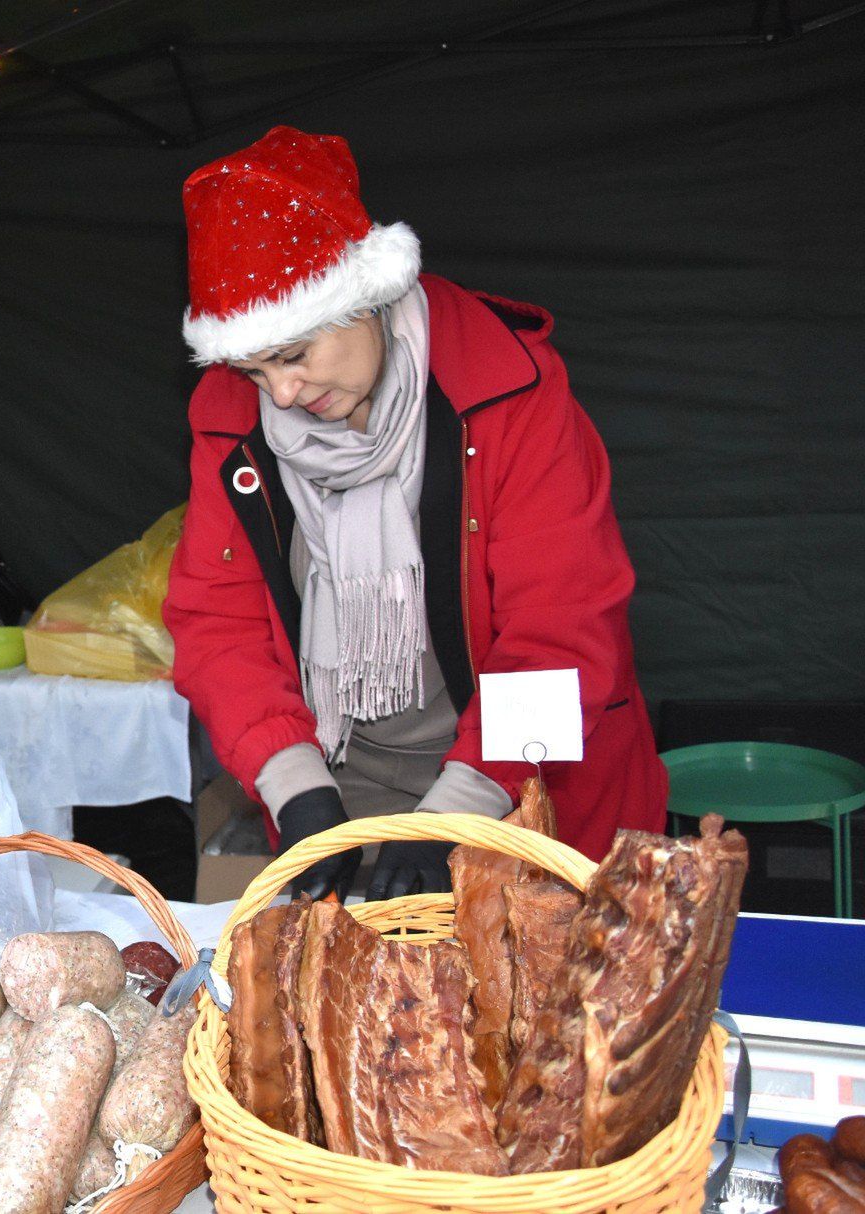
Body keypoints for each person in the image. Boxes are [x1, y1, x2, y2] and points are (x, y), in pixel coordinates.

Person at [163, 126, 667, 902]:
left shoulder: (509, 391)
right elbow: (214, 619)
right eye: (252, 367)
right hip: (351, 793)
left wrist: (458, 814)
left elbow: (563, 628)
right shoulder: (231, 422)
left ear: (363, 293)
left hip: (530, 788)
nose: (284, 394)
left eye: (296, 355)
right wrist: (293, 781)